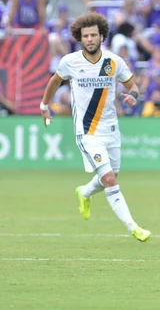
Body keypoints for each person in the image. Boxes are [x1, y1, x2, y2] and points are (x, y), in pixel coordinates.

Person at [39, 13, 151, 242]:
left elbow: (134, 87)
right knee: (110, 179)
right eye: (85, 36)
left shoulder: (114, 62)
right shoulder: (70, 61)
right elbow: (54, 82)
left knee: (111, 176)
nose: (89, 39)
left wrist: (132, 96)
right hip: (87, 131)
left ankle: (85, 191)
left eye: (93, 35)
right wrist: (44, 106)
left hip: (111, 130)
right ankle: (134, 227)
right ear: (80, 38)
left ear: (102, 36)